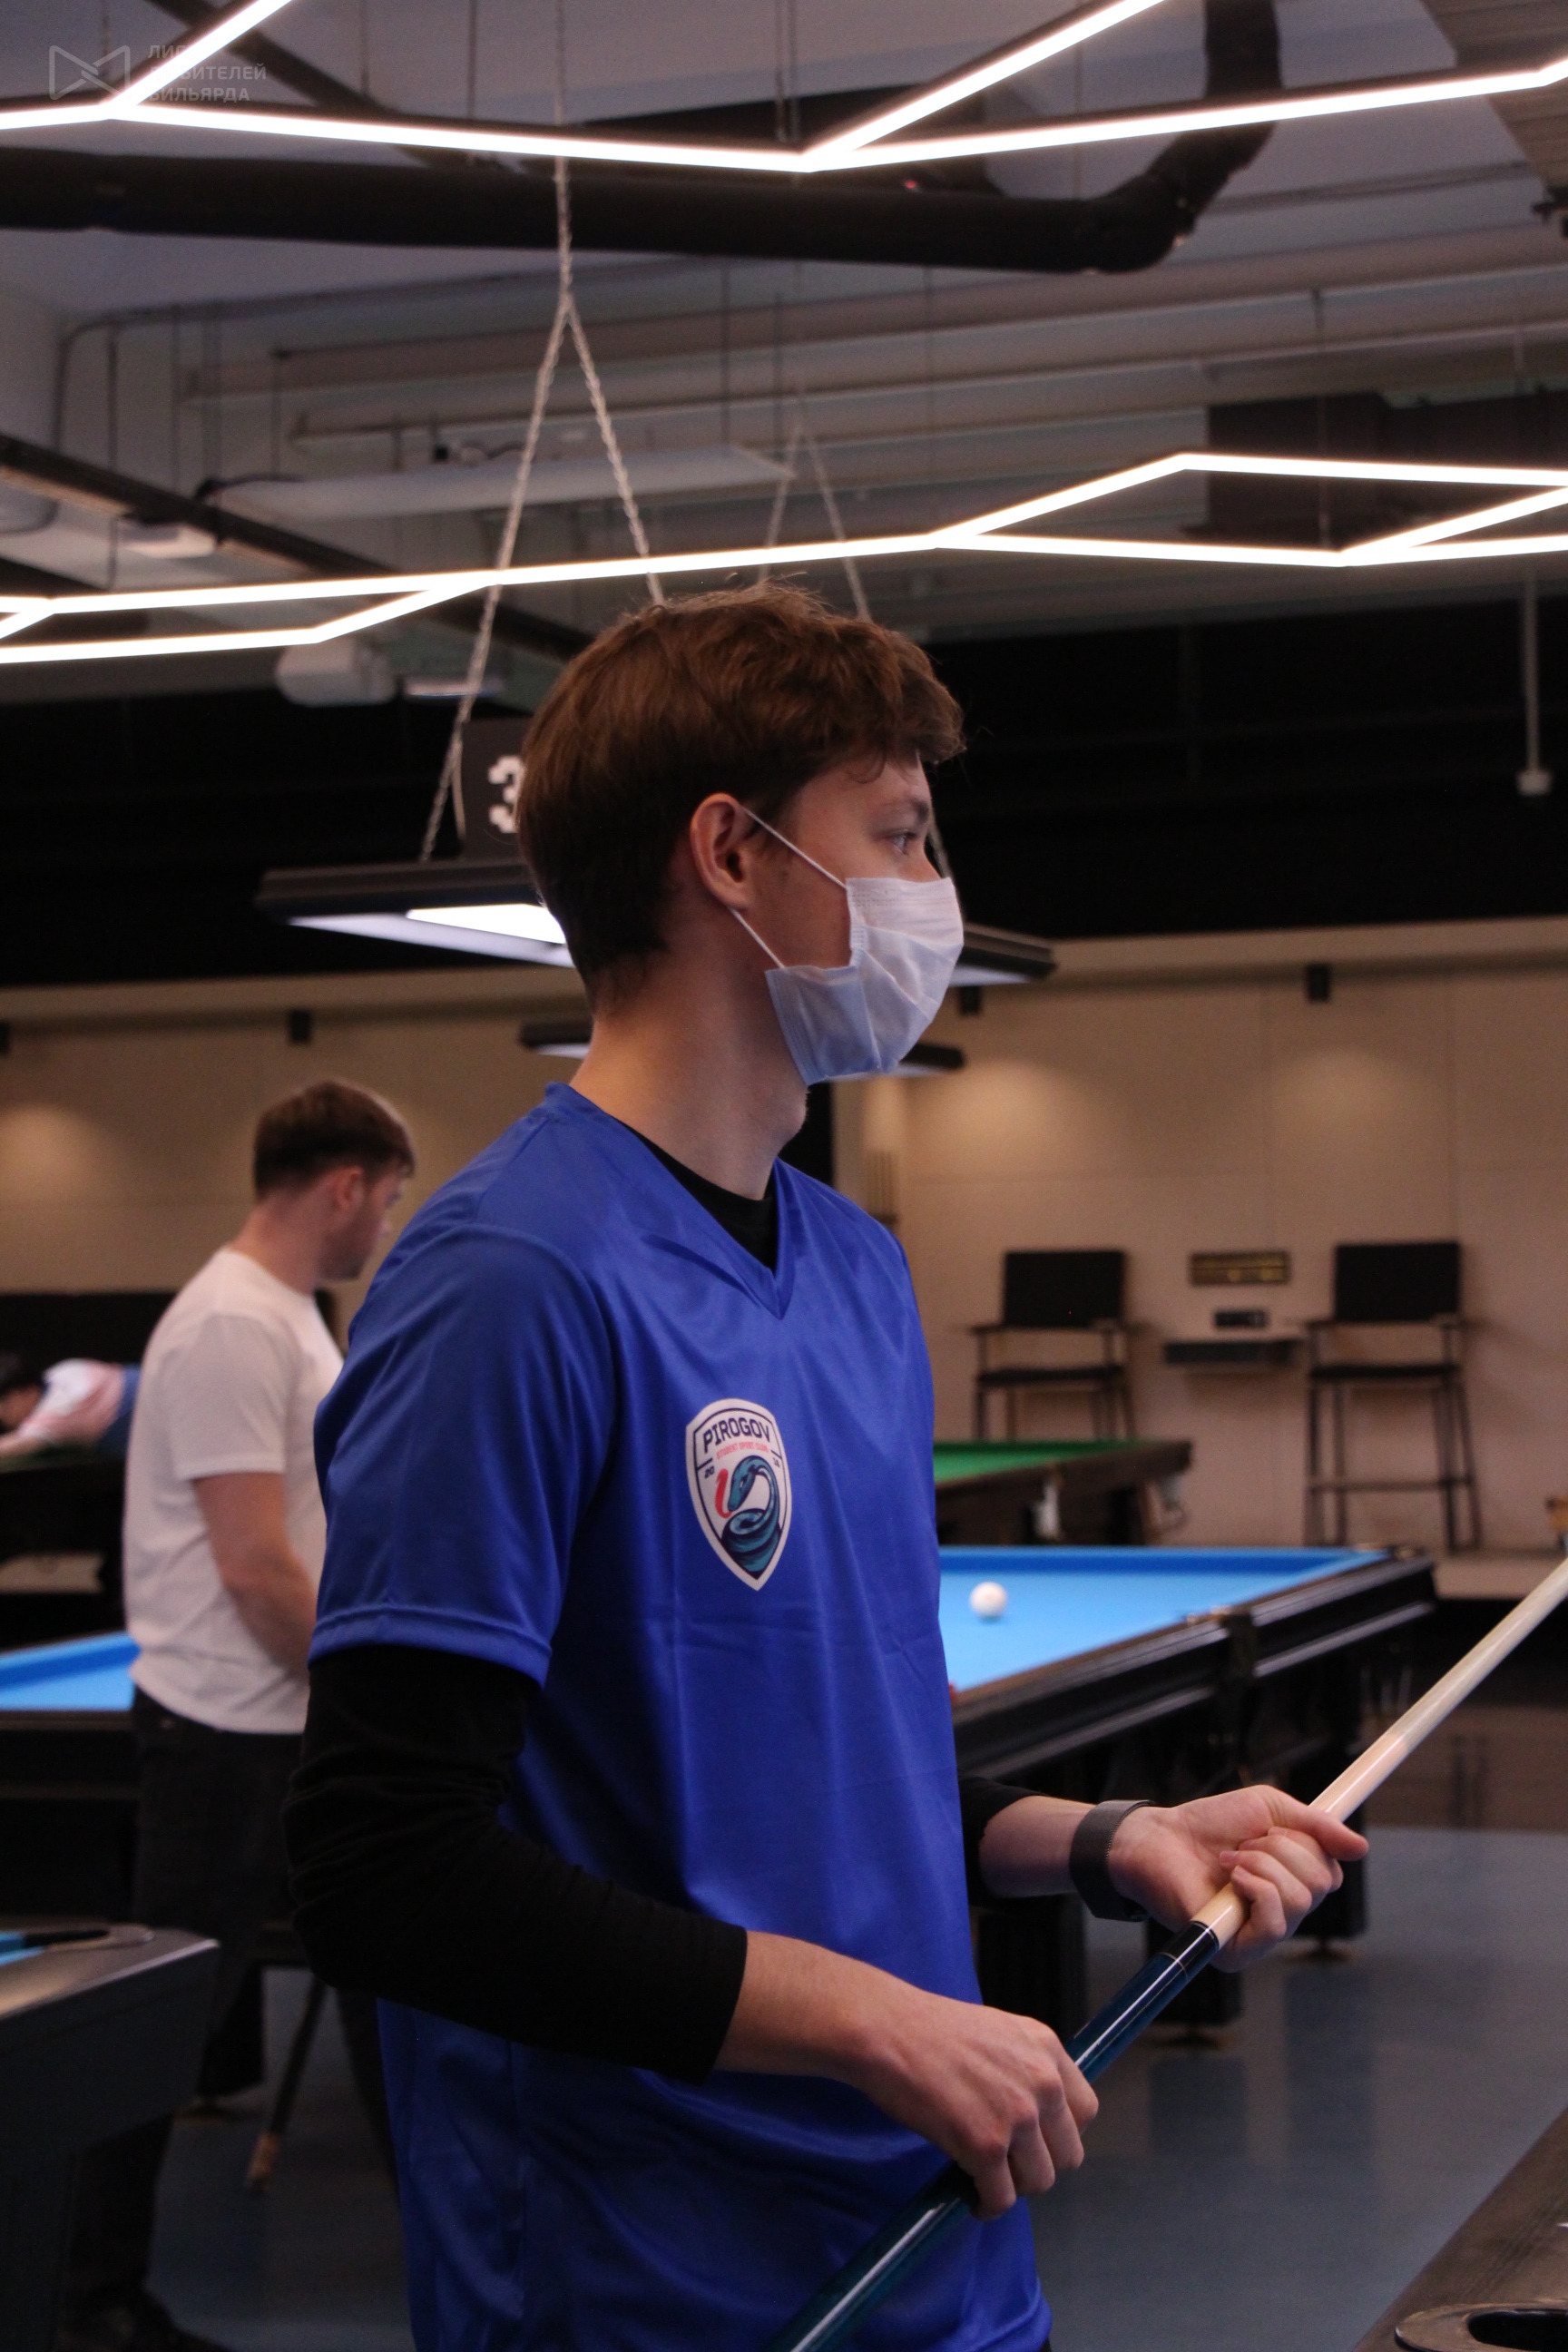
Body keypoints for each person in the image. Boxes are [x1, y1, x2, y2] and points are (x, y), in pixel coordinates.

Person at [285, 585, 1365, 2352]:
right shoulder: (511, 1279)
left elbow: (841, 1773)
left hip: (936, 2242)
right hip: (643, 2280)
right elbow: (385, 1866)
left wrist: (1109, 1840)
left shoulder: (856, 1267)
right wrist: (870, 2020)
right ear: (730, 852)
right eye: (902, 834)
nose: (933, 892)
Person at [58, 1079, 414, 2352]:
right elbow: (256, 1568)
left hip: (286, 1722)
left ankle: (456, 2251)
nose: (385, 1224)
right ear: (342, 1187)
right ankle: (89, 2301)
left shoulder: (285, 1317)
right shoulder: (228, 1324)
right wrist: (376, 1698)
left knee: (386, 1978)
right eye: (387, 1199)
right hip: (225, 1733)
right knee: (166, 2027)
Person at [0, 1353, 140, 1459]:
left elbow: (14, 1447)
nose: (1, 1414)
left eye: (5, 1403)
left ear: (29, 1392)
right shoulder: (63, 1368)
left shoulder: (53, 1417)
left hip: (144, 1421)